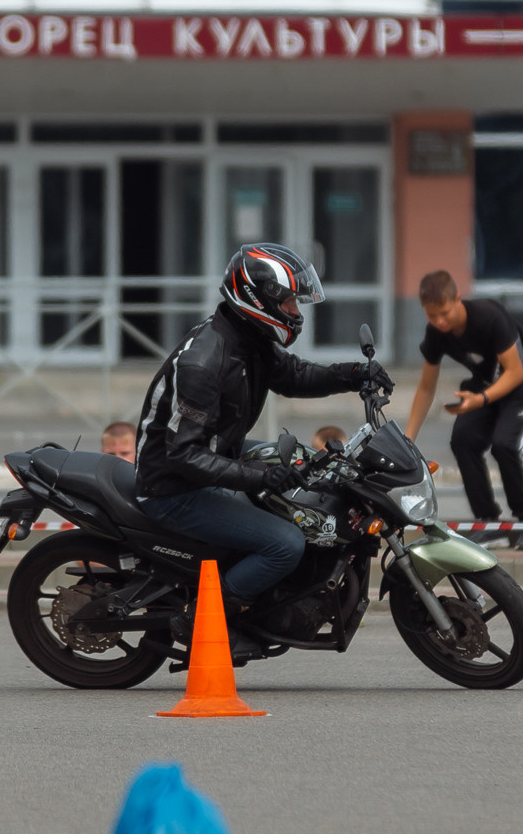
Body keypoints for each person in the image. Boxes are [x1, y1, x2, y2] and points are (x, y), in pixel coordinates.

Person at [133, 244, 393, 610]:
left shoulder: (247, 337)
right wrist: (258, 477)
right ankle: (210, 616)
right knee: (285, 543)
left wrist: (354, 374)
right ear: (258, 300)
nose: (295, 312)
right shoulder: (204, 364)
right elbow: (183, 455)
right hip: (172, 488)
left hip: (216, 453)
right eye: (289, 302)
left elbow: (293, 376)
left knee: (310, 470)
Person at [404, 270, 523, 551]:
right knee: (463, 440)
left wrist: (479, 400)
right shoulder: (436, 332)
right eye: (432, 316)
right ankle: (488, 521)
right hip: (484, 384)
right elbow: (425, 388)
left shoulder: (489, 317)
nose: (440, 322)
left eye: (444, 313)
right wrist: (408, 439)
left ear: (458, 299)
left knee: (506, 444)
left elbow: (515, 373)